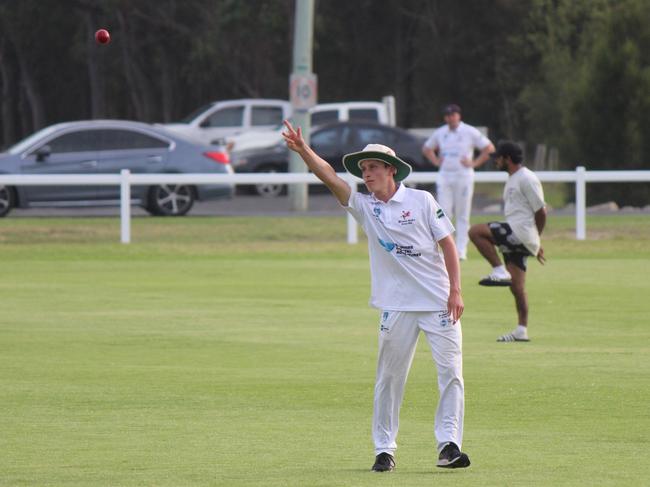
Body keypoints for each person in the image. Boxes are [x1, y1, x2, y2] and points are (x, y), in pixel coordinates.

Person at [282, 120, 470, 472]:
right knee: (388, 380)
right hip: (396, 307)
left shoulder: (422, 200)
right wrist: (304, 149)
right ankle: (384, 449)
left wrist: (456, 290)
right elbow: (330, 177)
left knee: (452, 374)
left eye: (372, 168)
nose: (366, 174)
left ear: (391, 170)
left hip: (440, 304)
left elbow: (447, 243)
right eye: (364, 169)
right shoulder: (366, 207)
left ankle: (449, 446)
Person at [468, 141, 546, 342]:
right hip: (520, 237)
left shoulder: (527, 178)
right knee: (517, 287)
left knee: (475, 231)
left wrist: (536, 238)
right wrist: (534, 243)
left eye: (498, 158)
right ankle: (522, 330)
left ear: (507, 159)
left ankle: (498, 270)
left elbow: (541, 211)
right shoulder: (513, 177)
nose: (496, 162)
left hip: (519, 233)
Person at [422, 104, 495, 260]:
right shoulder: (441, 132)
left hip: (463, 176)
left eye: (453, 114)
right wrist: (435, 161)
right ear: (445, 117)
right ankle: (447, 249)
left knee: (462, 214)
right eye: (448, 115)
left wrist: (474, 163)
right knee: (444, 213)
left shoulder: (469, 131)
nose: (451, 117)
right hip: (445, 176)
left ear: (459, 116)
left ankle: (461, 251)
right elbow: (427, 148)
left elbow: (489, 148)